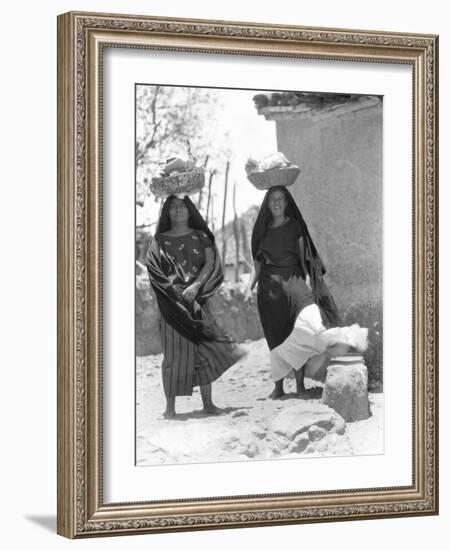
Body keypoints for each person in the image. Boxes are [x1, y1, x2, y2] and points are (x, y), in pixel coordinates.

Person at [245, 185, 367, 399]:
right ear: (267, 203)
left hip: (294, 280)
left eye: (281, 199)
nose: (276, 203)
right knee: (275, 337)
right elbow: (257, 267)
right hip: (269, 289)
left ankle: (302, 384)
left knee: (307, 327)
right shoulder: (261, 230)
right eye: (272, 199)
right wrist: (249, 289)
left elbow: (304, 260)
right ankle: (279, 388)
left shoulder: (294, 227)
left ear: (287, 202)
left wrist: (309, 282)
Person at [147, 195, 244, 418]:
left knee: (204, 350)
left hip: (196, 300)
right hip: (171, 304)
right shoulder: (159, 240)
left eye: (182, 206)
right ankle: (170, 409)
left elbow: (210, 263)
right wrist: (173, 293)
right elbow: (153, 269)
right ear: (167, 212)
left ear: (190, 211)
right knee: (172, 354)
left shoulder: (201, 236)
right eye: (173, 207)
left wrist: (196, 287)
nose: (178, 210)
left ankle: (208, 404)